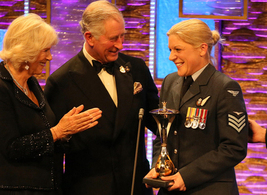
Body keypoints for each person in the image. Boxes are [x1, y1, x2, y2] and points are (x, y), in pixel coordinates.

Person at [44, 0, 159, 194]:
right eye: (113, 38)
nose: (120, 45)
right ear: (90, 37)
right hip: (88, 188)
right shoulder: (62, 81)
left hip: (135, 186)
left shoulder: (137, 69)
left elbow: (158, 122)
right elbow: (55, 148)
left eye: (123, 36)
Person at [0, 13, 102, 195]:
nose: (50, 57)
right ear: (27, 50)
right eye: (45, 51)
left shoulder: (32, 84)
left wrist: (66, 133)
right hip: (11, 190)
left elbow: (43, 139)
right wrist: (57, 131)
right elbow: (12, 148)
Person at [144, 19, 248, 194]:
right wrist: (159, 166)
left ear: (202, 48)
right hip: (171, 188)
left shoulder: (225, 88)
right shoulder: (170, 81)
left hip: (209, 189)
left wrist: (187, 176)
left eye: (178, 49)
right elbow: (162, 134)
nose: (171, 57)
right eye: (171, 50)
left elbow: (233, 148)